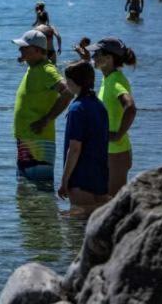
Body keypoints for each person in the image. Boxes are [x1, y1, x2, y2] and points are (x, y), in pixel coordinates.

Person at [11, 29, 74, 185]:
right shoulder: (33, 68)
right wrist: (24, 57)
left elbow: (68, 92)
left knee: (39, 191)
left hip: (38, 143)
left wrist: (46, 120)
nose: (20, 49)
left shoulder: (47, 70)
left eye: (25, 47)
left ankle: (44, 211)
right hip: (27, 141)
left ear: (38, 51)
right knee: (26, 190)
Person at [88, 38, 138, 196]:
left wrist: (117, 135)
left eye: (97, 53)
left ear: (109, 58)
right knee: (104, 201)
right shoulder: (107, 78)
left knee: (113, 203)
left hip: (117, 152)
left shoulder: (116, 81)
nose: (93, 57)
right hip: (109, 151)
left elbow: (130, 107)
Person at [58, 61, 110, 210]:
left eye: (67, 79)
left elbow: (74, 148)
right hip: (100, 178)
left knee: (77, 228)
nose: (66, 82)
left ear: (74, 82)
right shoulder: (100, 106)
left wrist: (64, 181)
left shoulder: (76, 109)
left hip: (80, 179)